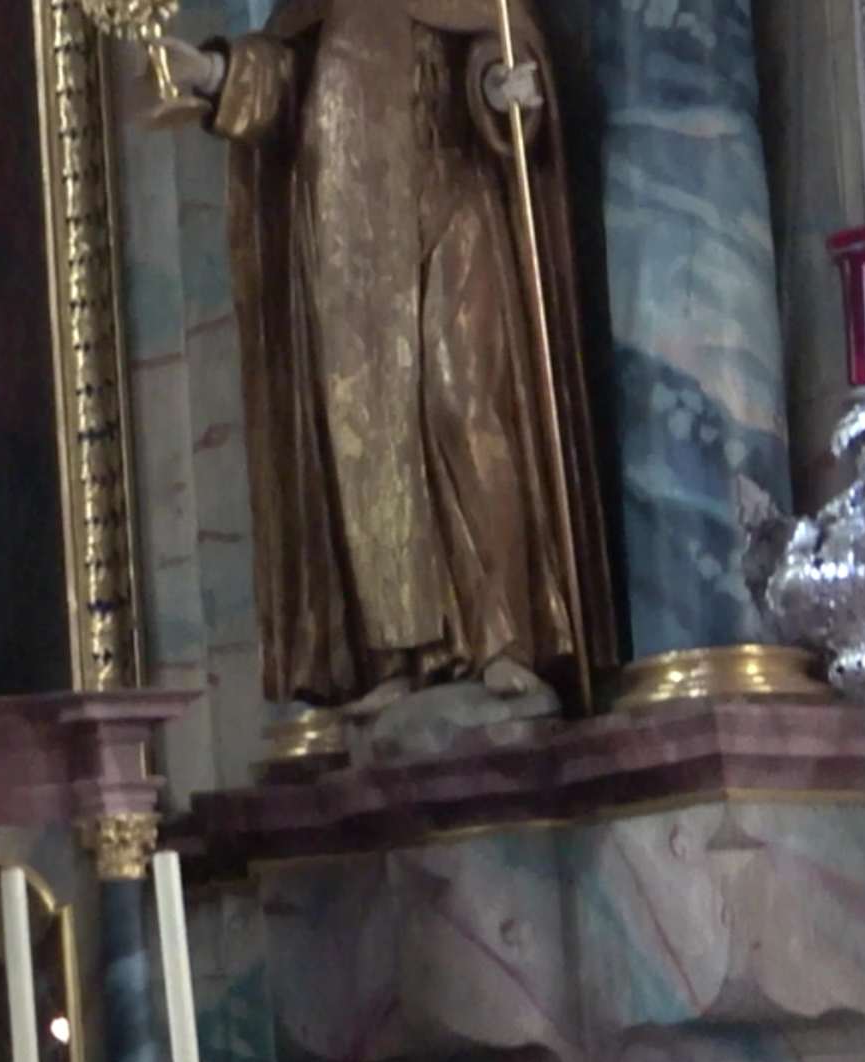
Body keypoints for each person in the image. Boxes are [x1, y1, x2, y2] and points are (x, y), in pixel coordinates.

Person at [155, 0, 615, 713]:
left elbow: (496, 45)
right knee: (372, 436)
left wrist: (502, 87)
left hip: (453, 188)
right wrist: (215, 73)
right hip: (354, 223)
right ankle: (398, 654)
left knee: (465, 405)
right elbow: (285, 83)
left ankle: (503, 638)